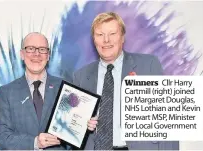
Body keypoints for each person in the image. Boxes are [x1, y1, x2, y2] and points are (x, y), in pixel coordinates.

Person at [73, 12, 179, 150]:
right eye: (100, 35)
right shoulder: (80, 76)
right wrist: (81, 125)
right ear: (94, 40)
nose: (106, 40)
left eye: (112, 34)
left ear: (122, 37)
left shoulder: (149, 65)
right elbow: (73, 128)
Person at [0, 32, 67, 150]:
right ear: (22, 54)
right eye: (30, 49)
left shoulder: (64, 88)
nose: (36, 54)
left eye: (42, 49)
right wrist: (34, 143)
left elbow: (72, 135)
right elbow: (2, 137)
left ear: (48, 55)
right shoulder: (7, 92)